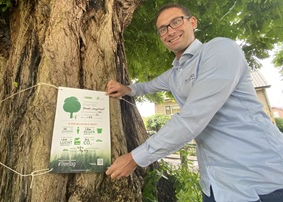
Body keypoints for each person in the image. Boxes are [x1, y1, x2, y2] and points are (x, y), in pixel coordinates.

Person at [105, 3, 283, 202]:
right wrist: (126, 89)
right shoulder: (175, 73)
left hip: (263, 179)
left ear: (192, 22)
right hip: (215, 184)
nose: (170, 31)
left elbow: (193, 117)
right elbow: (147, 86)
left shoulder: (220, 49)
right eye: (163, 29)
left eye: (176, 22)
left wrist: (135, 158)